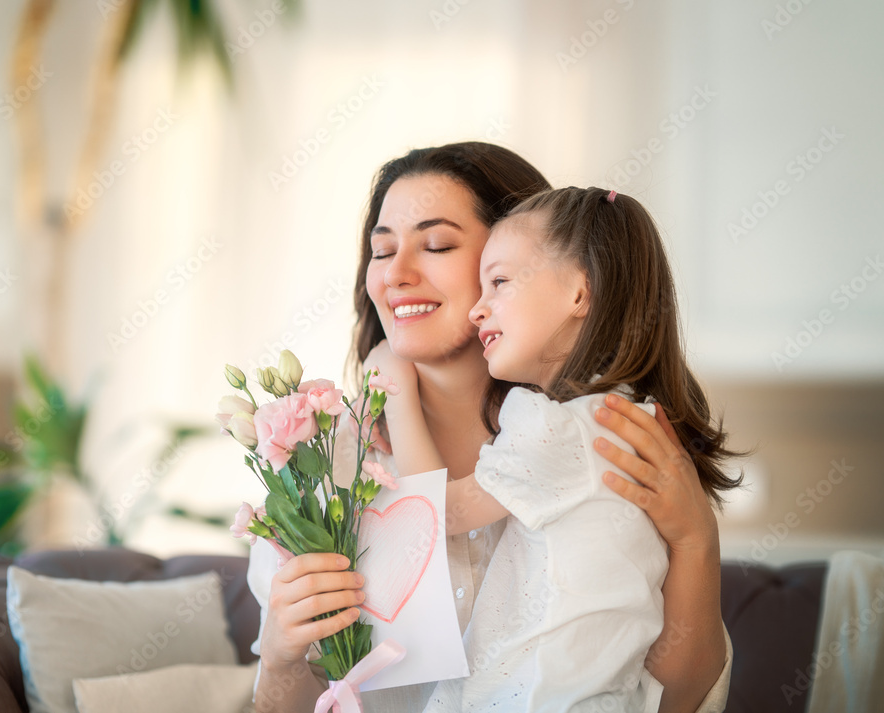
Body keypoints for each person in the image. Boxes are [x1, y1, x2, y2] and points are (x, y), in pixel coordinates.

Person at [248, 143, 734, 713]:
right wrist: (281, 653)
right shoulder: (319, 476)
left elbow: (675, 698)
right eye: (382, 252)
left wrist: (697, 541)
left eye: (437, 245)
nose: (397, 275)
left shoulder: (611, 435)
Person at [374, 185, 741, 711]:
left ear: (579, 294)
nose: (481, 309)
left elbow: (438, 515)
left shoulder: (556, 424)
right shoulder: (630, 419)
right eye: (382, 251)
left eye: (499, 281)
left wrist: (394, 394)